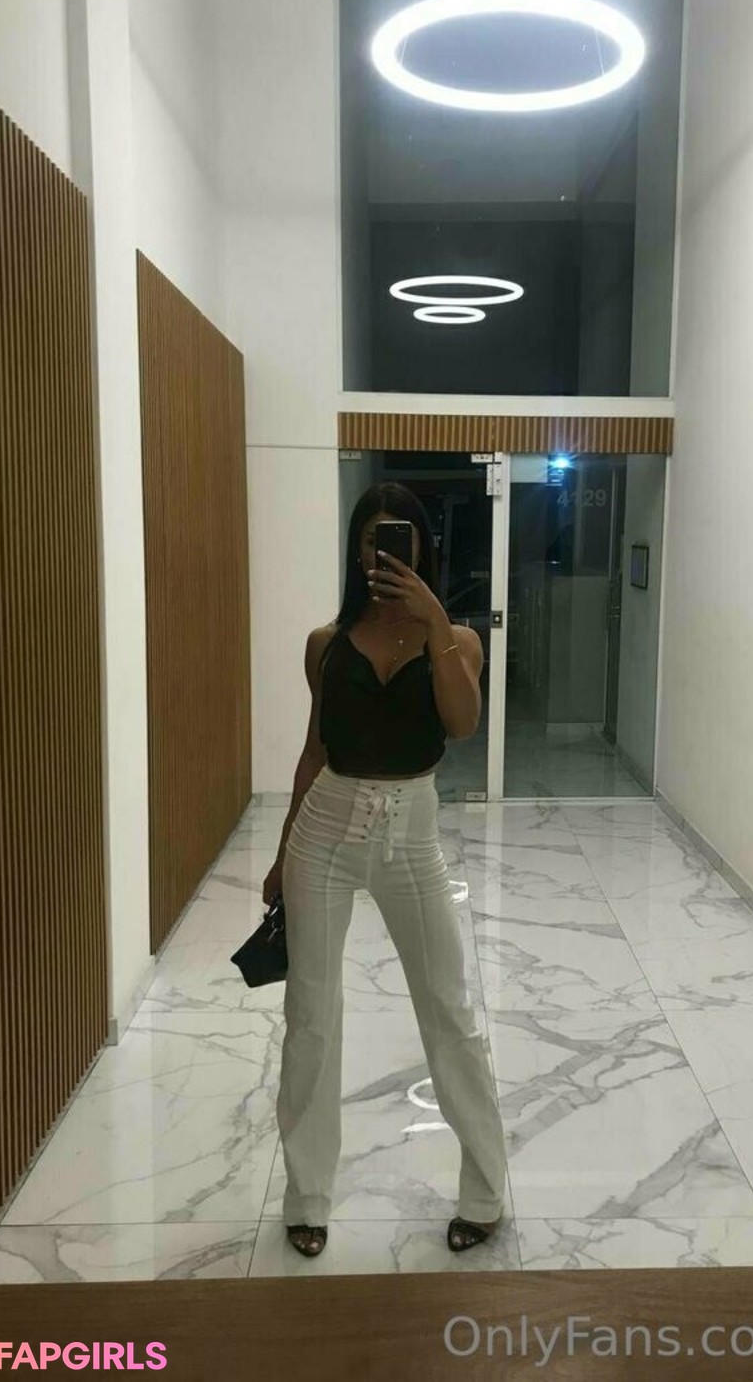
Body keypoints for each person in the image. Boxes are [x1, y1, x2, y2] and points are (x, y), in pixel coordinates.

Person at [262, 482, 507, 1259]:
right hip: (326, 832)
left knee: (450, 1009)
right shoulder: (325, 643)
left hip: (414, 835)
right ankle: (307, 1196)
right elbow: (315, 750)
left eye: (398, 537)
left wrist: (434, 621)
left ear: (423, 547)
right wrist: (281, 851)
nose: (383, 551)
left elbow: (462, 724)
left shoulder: (457, 640)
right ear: (355, 549)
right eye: (371, 538)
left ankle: (486, 1191)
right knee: (311, 1014)